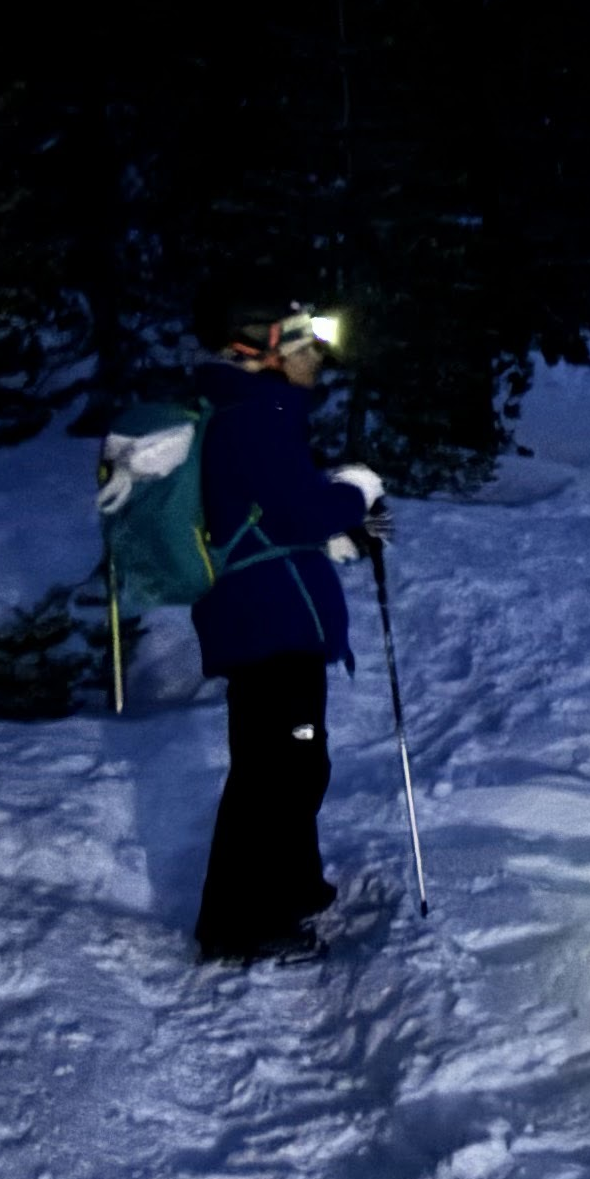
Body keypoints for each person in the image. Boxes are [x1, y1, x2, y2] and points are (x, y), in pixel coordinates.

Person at [190, 305, 382, 959]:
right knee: (276, 772)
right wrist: (355, 492)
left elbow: (270, 518)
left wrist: (341, 536)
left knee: (290, 764)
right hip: (272, 624)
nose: (316, 362)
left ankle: (291, 888)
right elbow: (300, 510)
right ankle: (240, 926)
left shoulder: (249, 414)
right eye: (305, 349)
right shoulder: (257, 416)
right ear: (268, 352)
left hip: (266, 615)